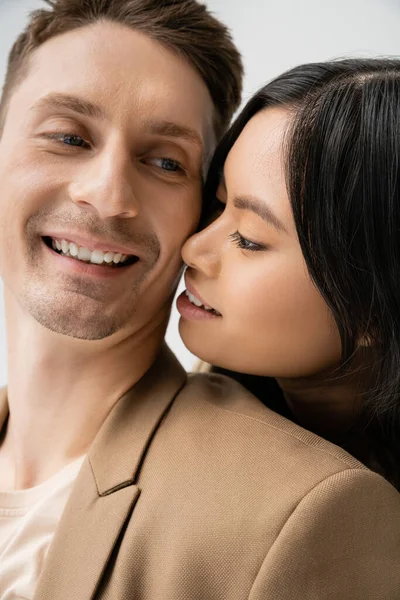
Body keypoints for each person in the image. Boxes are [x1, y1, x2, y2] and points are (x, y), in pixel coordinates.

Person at [0, 0, 244, 598]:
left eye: (166, 161)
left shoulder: (278, 516)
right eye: (68, 137)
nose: (109, 197)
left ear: (204, 212)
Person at [178, 58, 400, 596]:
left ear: (372, 303)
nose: (194, 248)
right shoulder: (196, 423)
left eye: (249, 239)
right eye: (218, 205)